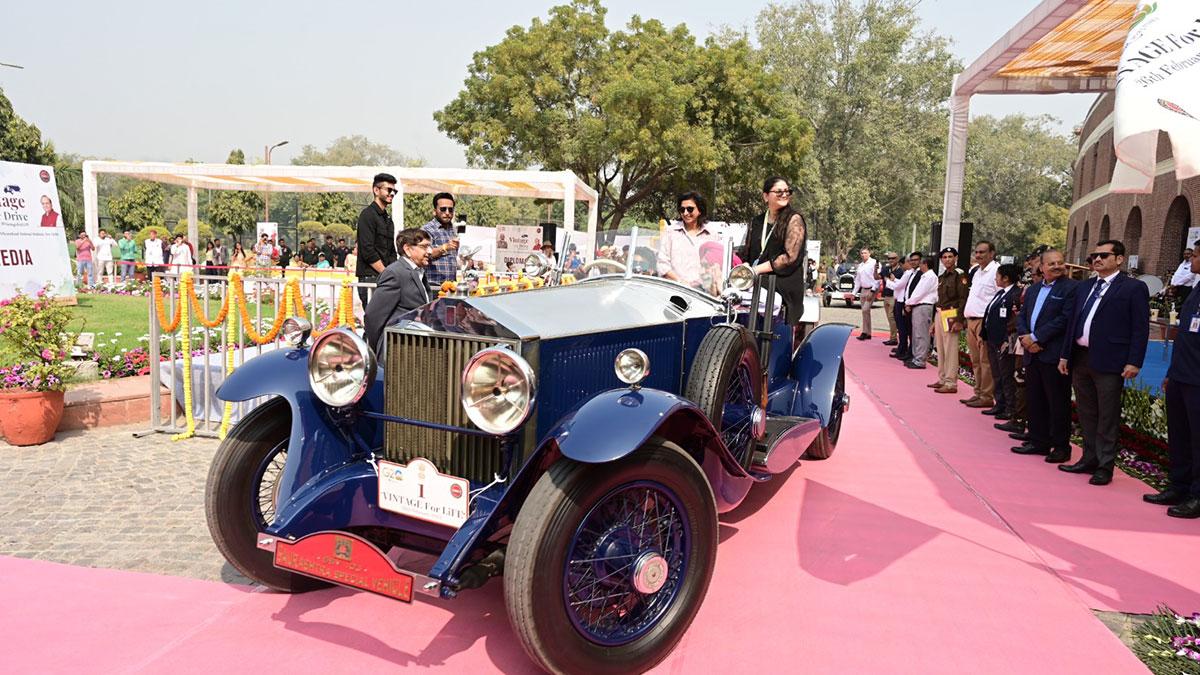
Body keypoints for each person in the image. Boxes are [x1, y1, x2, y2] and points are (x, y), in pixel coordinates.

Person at [1057, 239, 1150, 485]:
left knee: (1107, 415)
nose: (1097, 259)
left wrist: (1134, 361)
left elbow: (1140, 328)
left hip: (1111, 361)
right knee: (1086, 413)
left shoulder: (1132, 288)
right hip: (1081, 357)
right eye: (1095, 256)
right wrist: (1065, 354)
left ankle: (1105, 465)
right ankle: (1088, 458)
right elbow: (1073, 324)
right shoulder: (1084, 287)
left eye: (1104, 255)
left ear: (1119, 259)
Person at [1146, 238, 1200, 517]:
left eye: (1196, 255)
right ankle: (1178, 485)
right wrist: (1172, 372)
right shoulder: (1195, 290)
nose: (1191, 260)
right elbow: (1185, 337)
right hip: (1181, 374)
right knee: (1180, 434)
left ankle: (1197, 495)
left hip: (1197, 379)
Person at [1012, 249, 1078, 462]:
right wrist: (1025, 337)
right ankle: (1038, 441)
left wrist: (1036, 338)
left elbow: (1064, 319)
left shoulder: (1071, 289)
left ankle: (1060, 446)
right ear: (1042, 267)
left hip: (1053, 353)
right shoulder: (1033, 289)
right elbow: (1023, 315)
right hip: (1032, 352)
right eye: (1052, 263)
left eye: (1060, 262)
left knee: (1057, 402)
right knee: (1036, 398)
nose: (1057, 266)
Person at [746, 176, 809, 350]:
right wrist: (744, 268)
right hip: (756, 279)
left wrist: (758, 269)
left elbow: (790, 257)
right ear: (766, 196)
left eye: (787, 191)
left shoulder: (794, 219)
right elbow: (748, 252)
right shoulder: (757, 221)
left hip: (782, 283)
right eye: (778, 191)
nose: (784, 194)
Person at [365, 229, 433, 356]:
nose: (430, 251)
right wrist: (379, 347)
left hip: (413, 350)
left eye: (430, 246)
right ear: (407, 249)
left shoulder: (419, 272)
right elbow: (373, 316)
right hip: (395, 351)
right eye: (424, 247)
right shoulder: (394, 273)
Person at [980, 263, 1021, 422]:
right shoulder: (1000, 294)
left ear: (1006, 278)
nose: (995, 278)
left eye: (998, 276)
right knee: (997, 373)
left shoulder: (1015, 294)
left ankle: (1010, 408)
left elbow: (1014, 320)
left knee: (1006, 374)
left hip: (1006, 340)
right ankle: (1000, 403)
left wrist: (1006, 339)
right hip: (992, 339)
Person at [962, 241, 1000, 410]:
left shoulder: (996, 271)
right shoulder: (976, 272)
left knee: (986, 361)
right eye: (976, 252)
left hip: (984, 322)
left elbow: (999, 299)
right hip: (971, 320)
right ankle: (978, 392)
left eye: (982, 252)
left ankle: (986, 395)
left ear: (992, 253)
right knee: (975, 360)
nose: (978, 255)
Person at [657, 191, 718, 289]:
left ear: (700, 210)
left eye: (690, 209)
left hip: (703, 294)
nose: (685, 213)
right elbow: (662, 264)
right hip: (675, 290)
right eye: (682, 209)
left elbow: (715, 266)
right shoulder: (670, 232)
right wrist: (680, 282)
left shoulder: (711, 235)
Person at [356, 173, 399, 305]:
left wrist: (392, 273)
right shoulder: (367, 215)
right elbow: (367, 250)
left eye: (394, 191)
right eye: (389, 190)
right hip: (370, 278)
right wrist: (386, 273)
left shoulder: (387, 219)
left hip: (385, 277)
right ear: (376, 190)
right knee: (374, 321)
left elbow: (391, 251)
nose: (392, 194)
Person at [932, 247, 969, 394]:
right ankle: (942, 378)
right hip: (940, 312)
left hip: (952, 314)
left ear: (956, 258)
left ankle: (951, 382)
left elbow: (963, 298)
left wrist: (959, 320)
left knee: (951, 349)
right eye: (944, 257)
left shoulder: (960, 275)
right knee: (940, 348)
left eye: (950, 256)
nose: (947, 259)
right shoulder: (942, 277)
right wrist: (934, 322)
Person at [904, 255, 939, 369]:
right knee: (916, 333)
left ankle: (920, 360)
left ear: (925, 264)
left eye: (921, 263)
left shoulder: (930, 277)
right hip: (918, 305)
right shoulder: (925, 276)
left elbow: (920, 293)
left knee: (921, 334)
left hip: (924, 305)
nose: (919, 265)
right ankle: (916, 358)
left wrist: (909, 302)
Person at [422, 192, 461, 288]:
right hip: (434, 284)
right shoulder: (427, 229)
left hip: (450, 285)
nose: (447, 213)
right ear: (434, 211)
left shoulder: (453, 229)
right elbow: (424, 254)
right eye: (443, 209)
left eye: (450, 209)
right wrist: (445, 247)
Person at [889, 252, 921, 362]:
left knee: (904, 328)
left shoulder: (910, 273)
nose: (911, 263)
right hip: (903, 301)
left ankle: (904, 349)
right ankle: (903, 349)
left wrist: (888, 281)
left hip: (905, 302)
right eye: (911, 260)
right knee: (903, 328)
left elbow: (899, 286)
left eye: (914, 260)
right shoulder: (910, 273)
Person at [854, 248, 880, 341]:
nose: (863, 254)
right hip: (863, 289)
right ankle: (868, 333)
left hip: (871, 289)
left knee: (865, 309)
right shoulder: (860, 265)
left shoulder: (874, 263)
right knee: (865, 312)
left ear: (869, 253)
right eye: (861, 253)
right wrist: (854, 293)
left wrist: (873, 291)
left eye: (865, 253)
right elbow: (857, 280)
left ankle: (864, 332)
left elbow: (877, 278)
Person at [879, 252, 900, 345]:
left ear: (897, 258)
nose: (891, 260)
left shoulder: (901, 271)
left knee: (892, 317)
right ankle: (893, 336)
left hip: (894, 296)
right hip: (886, 296)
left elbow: (897, 285)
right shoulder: (886, 269)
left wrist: (888, 280)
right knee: (889, 317)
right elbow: (877, 277)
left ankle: (894, 338)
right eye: (889, 258)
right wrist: (874, 270)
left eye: (893, 258)